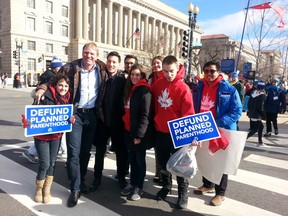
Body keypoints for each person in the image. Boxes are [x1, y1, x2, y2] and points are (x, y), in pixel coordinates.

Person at [35, 42, 107, 207]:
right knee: (73, 153)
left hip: (93, 115)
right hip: (74, 114)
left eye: (92, 54)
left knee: (85, 152)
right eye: (86, 52)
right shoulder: (70, 67)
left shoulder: (101, 70)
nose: (89, 56)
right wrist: (41, 87)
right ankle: (75, 188)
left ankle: (79, 180)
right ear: (82, 53)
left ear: (97, 56)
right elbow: (54, 80)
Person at [193, 60, 242, 206]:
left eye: (212, 71)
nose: (209, 74)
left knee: (221, 162)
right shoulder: (198, 87)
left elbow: (237, 111)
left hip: (222, 130)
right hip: (203, 128)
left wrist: (217, 122)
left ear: (218, 72)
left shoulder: (229, 89)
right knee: (205, 158)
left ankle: (220, 193)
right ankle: (208, 185)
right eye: (206, 71)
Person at [151, 55, 195, 209]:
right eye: (165, 71)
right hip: (160, 132)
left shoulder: (184, 88)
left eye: (171, 71)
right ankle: (166, 185)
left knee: (181, 165)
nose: (168, 75)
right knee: (163, 163)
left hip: (177, 134)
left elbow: (188, 113)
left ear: (177, 69)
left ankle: (183, 192)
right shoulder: (158, 84)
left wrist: (190, 137)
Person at [28, 74, 71, 203]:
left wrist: (70, 119)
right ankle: (38, 188)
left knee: (52, 163)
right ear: (55, 85)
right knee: (45, 163)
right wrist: (28, 122)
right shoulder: (44, 95)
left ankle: (47, 190)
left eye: (66, 86)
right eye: (61, 85)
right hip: (42, 136)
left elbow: (67, 116)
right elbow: (33, 112)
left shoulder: (66, 99)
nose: (63, 88)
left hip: (56, 136)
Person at [89, 51, 128, 192]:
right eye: (109, 61)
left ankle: (122, 178)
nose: (111, 64)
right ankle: (97, 178)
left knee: (120, 152)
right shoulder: (100, 77)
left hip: (118, 123)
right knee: (100, 151)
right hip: (102, 120)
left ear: (118, 64)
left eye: (114, 62)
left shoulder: (124, 80)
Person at [121, 64, 154, 201]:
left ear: (142, 76)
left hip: (138, 133)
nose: (134, 77)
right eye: (132, 74)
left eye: (137, 74)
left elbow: (146, 115)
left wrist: (139, 135)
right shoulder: (131, 89)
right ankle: (133, 183)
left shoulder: (145, 91)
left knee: (139, 161)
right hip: (129, 130)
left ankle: (138, 187)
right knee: (132, 160)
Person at [23, 57, 65, 163]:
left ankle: (63, 151)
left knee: (49, 132)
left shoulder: (46, 74)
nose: (60, 68)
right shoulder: (52, 76)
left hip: (46, 105)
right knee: (48, 132)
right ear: (55, 67)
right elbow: (49, 87)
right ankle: (31, 152)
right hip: (48, 104)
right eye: (59, 66)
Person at [148, 55, 164, 185]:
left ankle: (164, 174)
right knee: (157, 147)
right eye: (154, 63)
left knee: (165, 149)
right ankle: (158, 172)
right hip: (153, 115)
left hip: (164, 114)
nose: (156, 66)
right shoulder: (150, 78)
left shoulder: (167, 77)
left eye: (158, 63)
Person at [246, 81, 266, 146]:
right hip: (257, 114)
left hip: (252, 113)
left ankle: (260, 141)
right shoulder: (262, 95)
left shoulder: (253, 93)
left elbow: (248, 104)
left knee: (260, 127)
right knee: (255, 129)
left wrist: (250, 111)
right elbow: (260, 107)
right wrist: (264, 115)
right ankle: (244, 138)